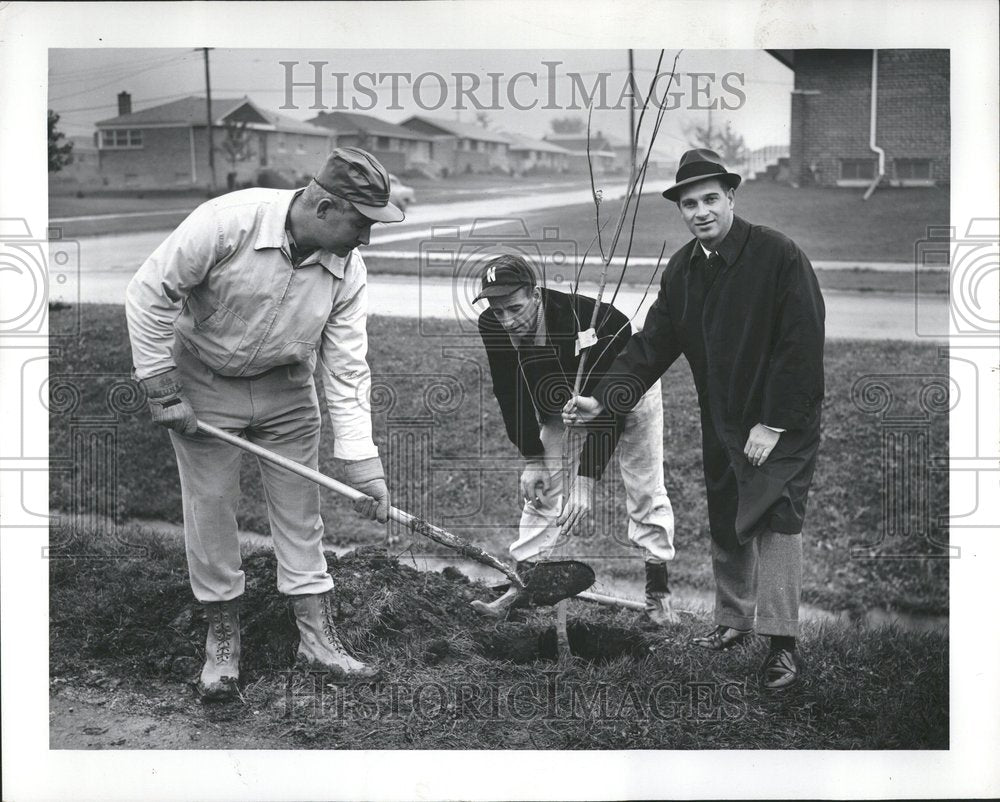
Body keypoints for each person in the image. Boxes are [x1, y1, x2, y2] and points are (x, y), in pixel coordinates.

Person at [125, 147, 405, 700]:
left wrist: (362, 462)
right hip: (203, 381)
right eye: (362, 224)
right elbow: (150, 294)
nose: (366, 240)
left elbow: (348, 366)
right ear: (324, 207)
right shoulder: (227, 222)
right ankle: (223, 637)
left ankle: (316, 636)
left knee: (302, 511)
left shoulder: (348, 270)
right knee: (210, 509)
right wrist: (161, 388)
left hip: (286, 387)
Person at [563, 149, 825, 690]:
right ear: (680, 210)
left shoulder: (778, 255)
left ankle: (781, 645)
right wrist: (602, 398)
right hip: (723, 418)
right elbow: (652, 344)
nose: (701, 211)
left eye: (710, 199)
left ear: (731, 197)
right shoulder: (684, 268)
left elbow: (802, 345)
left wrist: (773, 422)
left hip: (782, 420)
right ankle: (732, 622)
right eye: (689, 204)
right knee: (728, 513)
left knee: (777, 519)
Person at [470, 254, 677, 624]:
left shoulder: (597, 321)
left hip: (625, 393)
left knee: (645, 489)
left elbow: (608, 412)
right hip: (559, 400)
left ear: (535, 294)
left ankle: (657, 599)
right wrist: (533, 456)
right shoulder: (494, 324)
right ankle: (521, 586)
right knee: (542, 489)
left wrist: (585, 480)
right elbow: (509, 391)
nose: (507, 320)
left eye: (515, 308)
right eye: (497, 310)